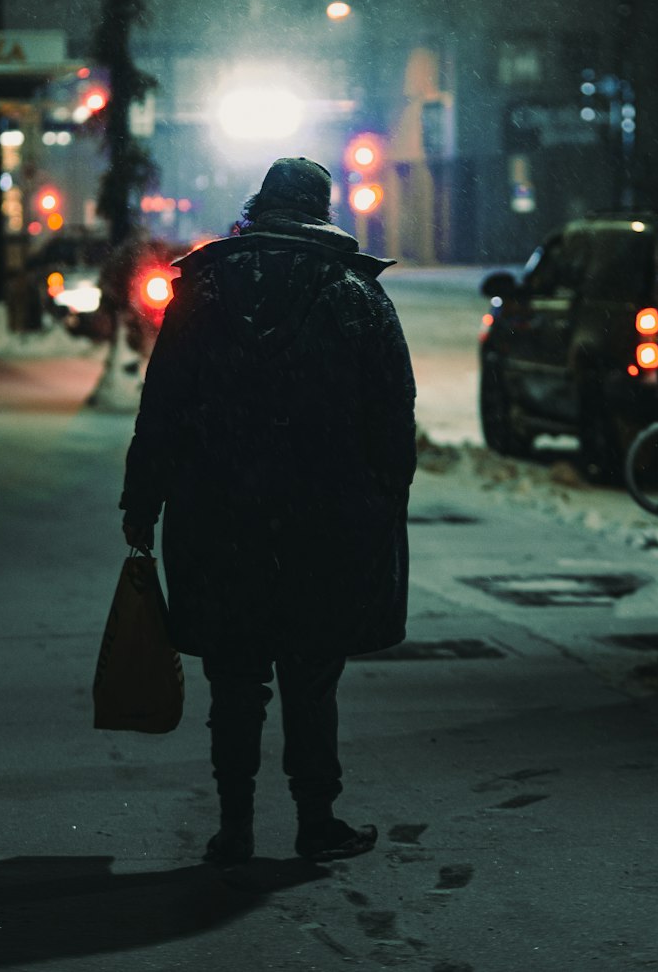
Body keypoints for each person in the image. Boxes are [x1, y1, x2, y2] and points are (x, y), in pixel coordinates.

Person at [119, 156, 417, 865]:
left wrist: (142, 501)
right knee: (311, 674)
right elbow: (393, 414)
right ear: (322, 209)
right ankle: (317, 821)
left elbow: (162, 406)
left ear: (260, 206)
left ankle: (236, 826)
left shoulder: (204, 289)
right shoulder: (355, 293)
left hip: (219, 517)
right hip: (323, 520)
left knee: (236, 672)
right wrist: (385, 497)